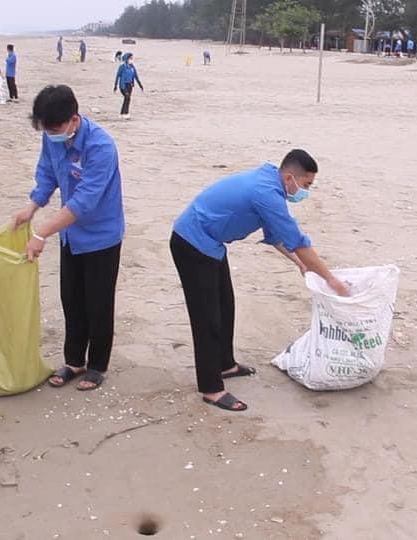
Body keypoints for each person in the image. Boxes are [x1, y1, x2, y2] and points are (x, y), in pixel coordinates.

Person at [170, 150, 350, 412]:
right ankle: (212, 388)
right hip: (192, 243)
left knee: (225, 305)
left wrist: (301, 265)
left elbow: (276, 234)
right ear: (290, 177)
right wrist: (331, 279)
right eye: (307, 184)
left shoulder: (271, 182)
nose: (307, 191)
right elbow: (297, 241)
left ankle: (225, 364)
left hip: (212, 245)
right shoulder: (266, 193)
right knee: (207, 316)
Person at [11, 85, 125, 392]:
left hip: (101, 235)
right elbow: (47, 174)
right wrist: (31, 208)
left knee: (98, 302)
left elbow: (84, 201)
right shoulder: (53, 139)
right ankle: (74, 360)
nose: (51, 134)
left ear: (74, 120)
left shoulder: (101, 146)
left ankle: (98, 365)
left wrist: (41, 233)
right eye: (46, 129)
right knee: (71, 298)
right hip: (70, 236)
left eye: (56, 128)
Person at [114, 52, 143, 119]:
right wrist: (115, 86)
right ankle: (125, 113)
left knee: (127, 99)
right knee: (127, 97)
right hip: (123, 85)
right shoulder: (122, 67)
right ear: (126, 58)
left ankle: (123, 114)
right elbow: (117, 76)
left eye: (132, 58)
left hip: (130, 85)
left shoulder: (132, 67)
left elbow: (136, 76)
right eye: (130, 58)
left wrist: (140, 85)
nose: (131, 59)